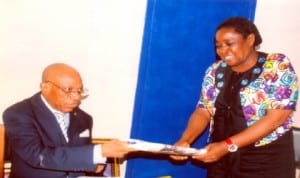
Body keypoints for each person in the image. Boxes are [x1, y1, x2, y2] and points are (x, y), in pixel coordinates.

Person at [171, 17, 299, 178]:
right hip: (221, 156)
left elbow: (275, 119)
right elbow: (203, 111)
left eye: (229, 43)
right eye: (219, 46)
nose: (223, 50)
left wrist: (227, 146)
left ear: (250, 39)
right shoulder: (214, 70)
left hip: (264, 159)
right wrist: (185, 140)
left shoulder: (276, 66)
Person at [2, 63, 135, 178]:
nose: (76, 98)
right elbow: (38, 156)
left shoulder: (84, 119)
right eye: (68, 90)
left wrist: (94, 165)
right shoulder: (18, 113)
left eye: (79, 91)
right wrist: (98, 152)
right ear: (45, 87)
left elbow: (75, 155)